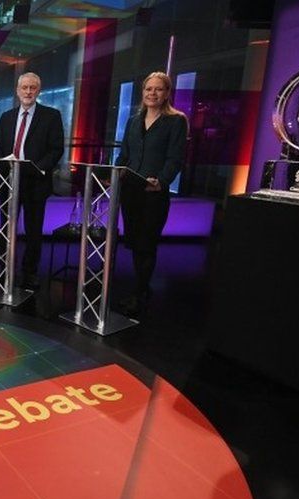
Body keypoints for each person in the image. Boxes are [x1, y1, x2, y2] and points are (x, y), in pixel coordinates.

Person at [115, 71, 188, 317]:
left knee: (147, 243)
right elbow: (125, 155)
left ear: (167, 93)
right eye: (148, 89)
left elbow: (175, 157)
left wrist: (163, 180)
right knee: (135, 242)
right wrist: (114, 173)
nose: (152, 94)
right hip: (131, 190)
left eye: (158, 89)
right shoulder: (134, 120)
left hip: (153, 192)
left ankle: (139, 292)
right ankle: (141, 288)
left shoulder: (176, 120)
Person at [0, 72, 64, 289]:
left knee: (33, 230)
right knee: (6, 228)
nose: (28, 92)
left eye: (32, 88)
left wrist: (37, 167)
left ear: (38, 91)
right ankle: (4, 266)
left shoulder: (51, 116)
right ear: (17, 90)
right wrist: (2, 162)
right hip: (8, 181)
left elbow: (56, 149)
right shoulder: (6, 117)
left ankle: (29, 272)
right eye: (24, 87)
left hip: (35, 182)